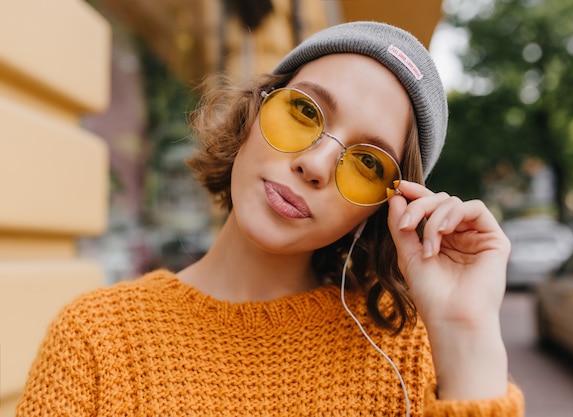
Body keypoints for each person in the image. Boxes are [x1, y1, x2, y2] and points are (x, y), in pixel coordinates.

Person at [16, 21, 524, 416]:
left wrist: (465, 328)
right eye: (304, 112)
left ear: (385, 207)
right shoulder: (97, 339)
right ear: (251, 114)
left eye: (368, 162)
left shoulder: (409, 351)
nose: (316, 164)